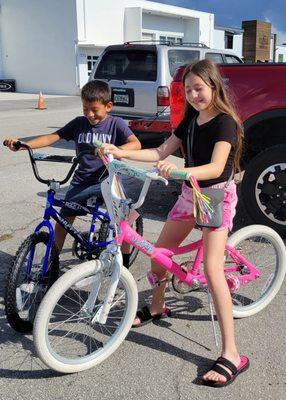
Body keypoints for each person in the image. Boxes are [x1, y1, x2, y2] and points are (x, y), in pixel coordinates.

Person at [98, 59, 249, 387]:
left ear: (213, 87)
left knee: (211, 269)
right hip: (189, 193)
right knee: (160, 253)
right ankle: (157, 306)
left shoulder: (225, 123)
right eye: (189, 89)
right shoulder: (191, 119)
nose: (194, 95)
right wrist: (120, 153)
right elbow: (160, 151)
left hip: (213, 196)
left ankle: (232, 353)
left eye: (199, 88)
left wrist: (181, 172)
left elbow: (216, 167)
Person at [4, 80, 141, 264]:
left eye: (94, 109)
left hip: (108, 180)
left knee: (124, 222)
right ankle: (51, 264)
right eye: (85, 109)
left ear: (108, 106)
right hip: (81, 181)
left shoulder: (116, 124)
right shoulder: (79, 123)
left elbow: (136, 144)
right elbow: (52, 136)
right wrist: (24, 145)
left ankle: (124, 262)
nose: (90, 114)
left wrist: (113, 149)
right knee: (63, 221)